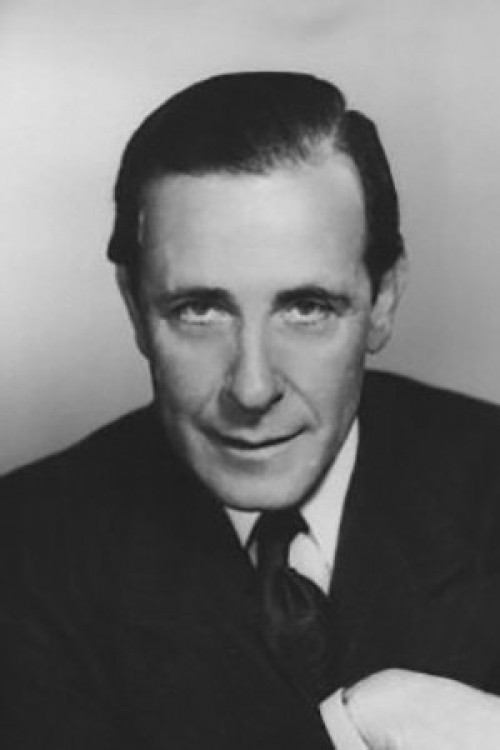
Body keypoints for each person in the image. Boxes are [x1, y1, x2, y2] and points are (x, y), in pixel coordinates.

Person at [2, 71, 500, 749]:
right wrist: (352, 723)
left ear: (383, 299)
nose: (253, 388)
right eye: (199, 310)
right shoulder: (24, 553)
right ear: (134, 309)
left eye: (307, 308)